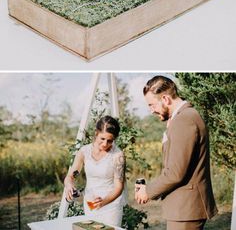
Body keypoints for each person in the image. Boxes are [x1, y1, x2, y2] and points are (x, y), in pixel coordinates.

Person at [135, 75, 218, 230]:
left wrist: (148, 191)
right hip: (184, 208)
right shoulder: (182, 118)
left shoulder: (184, 120)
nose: (151, 110)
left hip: (186, 209)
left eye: (152, 105)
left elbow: (175, 172)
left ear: (165, 99)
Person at [64, 115, 126, 226]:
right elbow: (71, 176)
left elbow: (118, 187)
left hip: (110, 206)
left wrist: (103, 202)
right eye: (102, 139)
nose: (105, 144)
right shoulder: (84, 152)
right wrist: (69, 186)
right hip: (90, 204)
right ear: (96, 133)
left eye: (110, 141)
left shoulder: (118, 155)